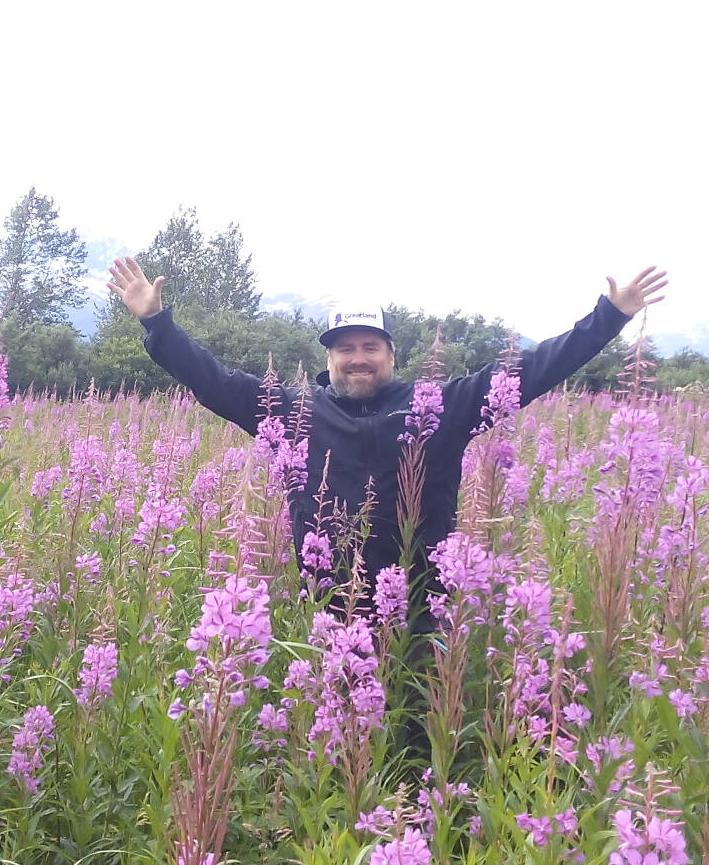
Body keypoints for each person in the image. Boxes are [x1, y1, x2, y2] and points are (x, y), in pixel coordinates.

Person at [105, 256, 667, 623]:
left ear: (391, 355)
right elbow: (213, 381)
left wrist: (609, 317)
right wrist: (158, 325)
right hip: (329, 602)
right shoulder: (295, 411)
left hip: (422, 604)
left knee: (415, 733)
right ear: (327, 358)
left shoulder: (440, 406)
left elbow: (533, 370)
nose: (358, 359)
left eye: (370, 347)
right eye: (344, 349)